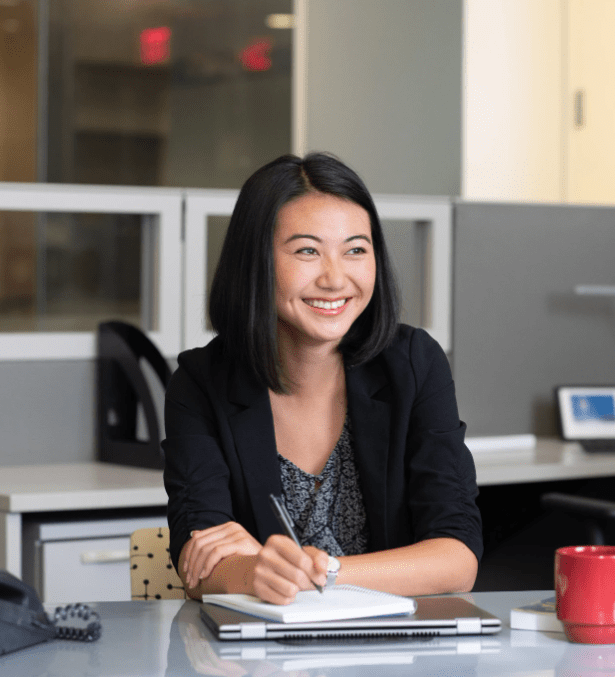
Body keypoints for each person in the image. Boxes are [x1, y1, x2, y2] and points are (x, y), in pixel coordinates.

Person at [162, 152, 482, 604]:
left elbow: (457, 560)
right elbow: (199, 565)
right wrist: (248, 571)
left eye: (356, 250)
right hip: (263, 661)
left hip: (397, 654)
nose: (336, 278)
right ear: (255, 261)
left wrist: (314, 570)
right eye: (307, 251)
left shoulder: (413, 364)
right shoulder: (201, 383)